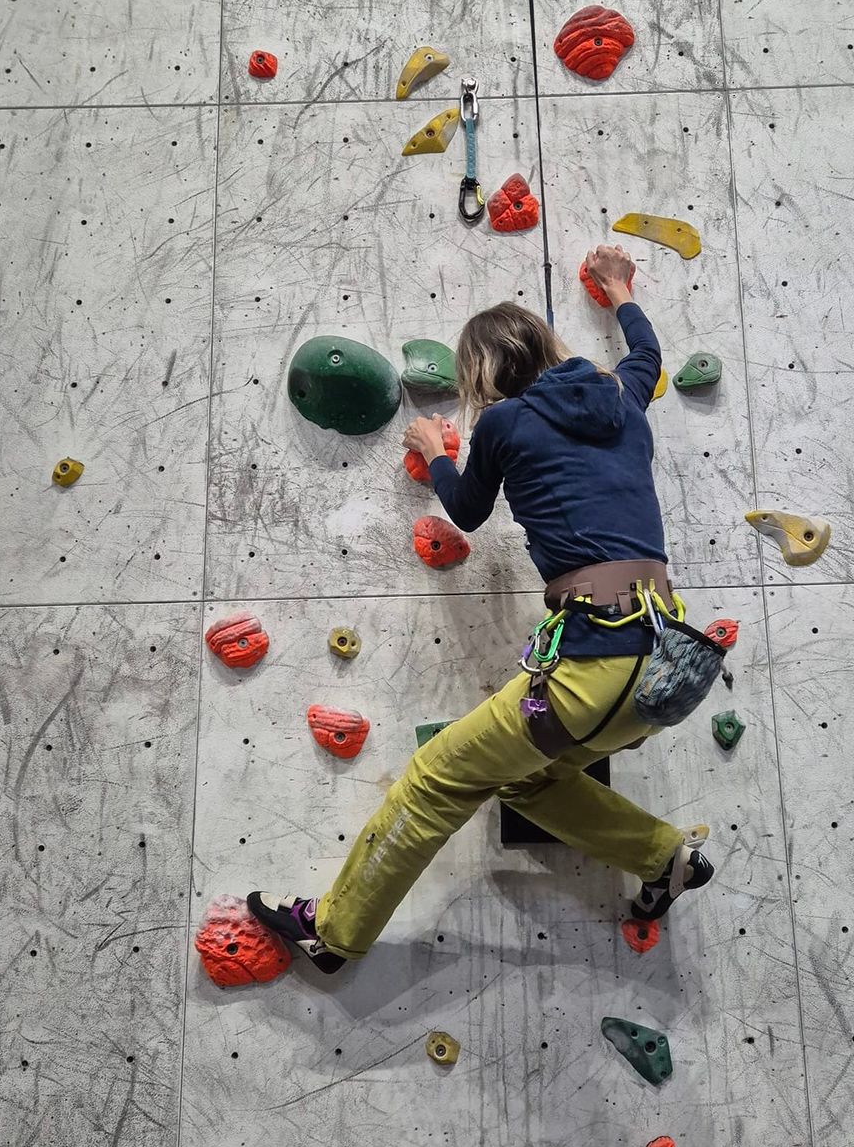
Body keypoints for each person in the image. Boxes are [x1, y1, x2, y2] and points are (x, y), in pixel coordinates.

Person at [248, 243, 712, 972]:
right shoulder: (624, 395)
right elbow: (647, 351)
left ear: (485, 376)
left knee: (437, 776)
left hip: (591, 666)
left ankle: (333, 934)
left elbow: (465, 509)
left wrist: (434, 448)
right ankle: (664, 859)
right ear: (547, 345)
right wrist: (621, 290)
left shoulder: (505, 424)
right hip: (664, 667)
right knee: (530, 782)